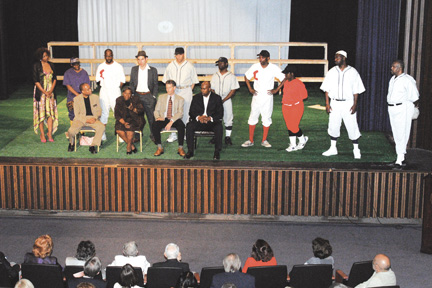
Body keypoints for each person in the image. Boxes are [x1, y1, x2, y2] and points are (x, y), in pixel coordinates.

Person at [320, 50, 365, 159]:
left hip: (348, 103)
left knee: (352, 125)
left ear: (344, 58)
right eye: (335, 57)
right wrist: (327, 103)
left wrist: (355, 104)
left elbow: (356, 90)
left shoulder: (353, 72)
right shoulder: (332, 71)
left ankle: (356, 149)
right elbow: (326, 89)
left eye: (337, 57)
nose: (335, 59)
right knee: (333, 125)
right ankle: (333, 148)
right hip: (335, 102)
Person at [242, 50, 285, 148]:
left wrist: (276, 89)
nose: (261, 59)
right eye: (260, 57)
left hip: (267, 96)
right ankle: (251, 140)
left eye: (262, 57)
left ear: (268, 58)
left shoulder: (273, 68)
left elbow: (284, 78)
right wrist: (250, 88)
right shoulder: (255, 66)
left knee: (266, 117)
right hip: (256, 95)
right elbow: (246, 76)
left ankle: (264, 140)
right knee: (253, 116)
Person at [387, 59, 420, 169]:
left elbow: (415, 97)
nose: (391, 68)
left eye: (393, 66)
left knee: (402, 133)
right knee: (396, 134)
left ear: (399, 68)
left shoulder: (407, 80)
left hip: (403, 108)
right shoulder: (393, 79)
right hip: (393, 108)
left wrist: (411, 108)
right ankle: (400, 157)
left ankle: (399, 160)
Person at [162, 47, 199, 143]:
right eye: (177, 54)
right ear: (175, 55)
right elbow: (166, 80)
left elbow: (194, 80)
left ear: (183, 54)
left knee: (186, 111)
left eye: (180, 54)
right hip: (175, 90)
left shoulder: (189, 66)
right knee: (173, 111)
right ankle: (173, 133)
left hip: (186, 89)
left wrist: (189, 90)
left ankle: (186, 132)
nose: (178, 56)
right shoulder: (171, 65)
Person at [271, 65, 308, 152]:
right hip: (285, 106)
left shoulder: (299, 83)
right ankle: (293, 145)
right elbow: (283, 81)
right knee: (289, 126)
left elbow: (305, 96)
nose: (285, 76)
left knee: (293, 126)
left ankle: (302, 140)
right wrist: (277, 89)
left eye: (286, 74)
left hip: (296, 107)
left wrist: (294, 99)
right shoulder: (286, 81)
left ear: (291, 74)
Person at [185, 81, 224, 160]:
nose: (202, 90)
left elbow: (220, 114)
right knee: (189, 126)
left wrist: (210, 118)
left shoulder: (217, 98)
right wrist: (199, 117)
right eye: (201, 89)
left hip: (211, 122)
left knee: (219, 127)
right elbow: (191, 112)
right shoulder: (196, 97)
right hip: (199, 121)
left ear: (209, 89)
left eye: (204, 89)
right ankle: (190, 151)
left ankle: (217, 152)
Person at [96, 49, 126, 141]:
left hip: (115, 91)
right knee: (104, 113)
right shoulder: (101, 66)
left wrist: (116, 89)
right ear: (104, 56)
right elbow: (98, 80)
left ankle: (121, 135)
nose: (108, 57)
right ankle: (102, 134)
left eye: (110, 55)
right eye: (107, 56)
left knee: (118, 113)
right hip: (104, 91)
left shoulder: (118, 66)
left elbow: (122, 81)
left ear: (112, 55)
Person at [129, 50, 159, 143]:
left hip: (148, 96)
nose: (140, 61)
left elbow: (156, 84)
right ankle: (138, 135)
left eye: (142, 59)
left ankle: (153, 135)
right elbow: (131, 83)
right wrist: (132, 96)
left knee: (151, 118)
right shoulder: (134, 69)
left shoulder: (153, 70)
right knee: (137, 117)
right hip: (137, 96)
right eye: (138, 59)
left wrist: (153, 96)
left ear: (146, 59)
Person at [67, 83, 105, 154]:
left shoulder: (95, 97)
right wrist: (86, 120)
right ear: (82, 91)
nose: (90, 90)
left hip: (93, 118)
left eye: (90, 88)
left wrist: (94, 118)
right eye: (88, 89)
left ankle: (93, 145)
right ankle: (71, 143)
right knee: (71, 131)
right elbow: (77, 114)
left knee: (101, 127)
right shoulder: (76, 99)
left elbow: (99, 110)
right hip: (80, 119)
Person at [210, 57, 240, 145]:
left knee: (228, 118)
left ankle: (227, 137)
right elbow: (212, 88)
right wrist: (216, 99)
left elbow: (233, 90)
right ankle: (215, 136)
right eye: (218, 63)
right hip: (216, 99)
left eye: (221, 63)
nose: (219, 64)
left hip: (226, 99)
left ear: (226, 64)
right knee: (215, 118)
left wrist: (224, 99)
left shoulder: (231, 76)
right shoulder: (215, 75)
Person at [152, 80, 186, 157]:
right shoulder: (161, 97)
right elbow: (156, 110)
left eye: (169, 88)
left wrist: (171, 121)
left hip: (174, 118)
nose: (167, 90)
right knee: (154, 125)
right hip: (163, 118)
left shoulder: (180, 99)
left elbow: (180, 113)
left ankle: (180, 148)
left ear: (174, 88)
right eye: (166, 88)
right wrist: (158, 117)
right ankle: (159, 147)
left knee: (181, 126)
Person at [32, 47, 58, 143]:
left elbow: (54, 78)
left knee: (50, 113)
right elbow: (36, 81)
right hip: (41, 92)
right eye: (44, 56)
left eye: (47, 55)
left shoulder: (51, 64)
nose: (46, 57)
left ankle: (49, 133)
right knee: (41, 113)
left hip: (50, 92)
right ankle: (42, 134)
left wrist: (51, 90)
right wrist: (44, 91)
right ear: (40, 57)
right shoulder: (36, 65)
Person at [114, 87, 145, 155]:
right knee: (119, 130)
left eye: (129, 93)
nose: (127, 95)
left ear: (131, 95)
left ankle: (128, 147)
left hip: (135, 119)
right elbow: (117, 114)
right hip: (123, 120)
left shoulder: (136, 99)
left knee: (129, 130)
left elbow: (141, 110)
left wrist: (133, 109)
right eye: (125, 93)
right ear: (123, 93)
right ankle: (132, 145)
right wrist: (124, 122)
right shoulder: (119, 100)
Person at [63, 57, 91, 123]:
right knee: (72, 113)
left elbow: (87, 85)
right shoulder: (68, 73)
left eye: (78, 64)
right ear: (71, 65)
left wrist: (83, 95)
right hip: (72, 96)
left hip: (83, 95)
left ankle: (82, 131)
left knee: (83, 113)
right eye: (74, 64)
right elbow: (68, 85)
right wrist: (77, 95)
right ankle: (74, 130)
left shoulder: (84, 72)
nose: (76, 66)